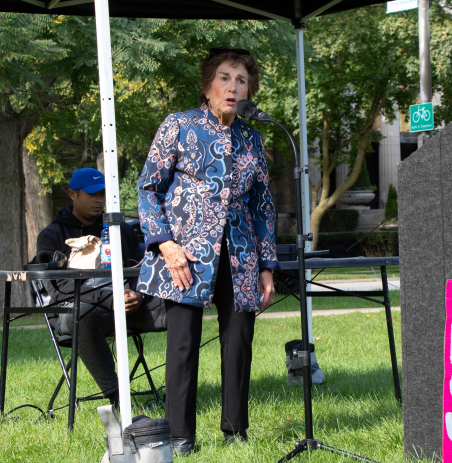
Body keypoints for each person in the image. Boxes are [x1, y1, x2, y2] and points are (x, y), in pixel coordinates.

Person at [136, 47, 279, 455]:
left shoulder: (253, 138)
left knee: (239, 341)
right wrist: (166, 245)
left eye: (242, 80)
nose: (233, 87)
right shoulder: (178, 125)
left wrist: (267, 266)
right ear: (207, 85)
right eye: (224, 78)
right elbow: (148, 188)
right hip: (186, 254)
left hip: (241, 253)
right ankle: (180, 437)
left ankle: (235, 432)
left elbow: (263, 206)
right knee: (182, 346)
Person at [36, 168, 166, 406]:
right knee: (81, 314)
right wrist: (111, 300)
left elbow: (142, 269)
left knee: (179, 303)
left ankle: (177, 392)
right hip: (78, 312)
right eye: (92, 194)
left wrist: (138, 294)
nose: (99, 199)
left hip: (128, 308)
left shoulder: (120, 229)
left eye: (103, 193)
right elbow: (59, 288)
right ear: (73, 194)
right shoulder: (52, 235)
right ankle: (119, 400)